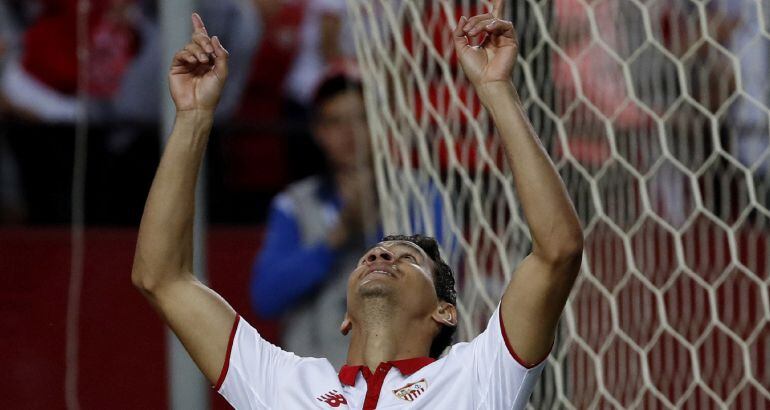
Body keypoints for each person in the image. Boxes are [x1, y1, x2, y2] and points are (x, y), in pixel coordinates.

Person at [132, 3, 583, 408]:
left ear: (445, 311)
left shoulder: (480, 375)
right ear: (347, 316)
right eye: (374, 254)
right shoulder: (282, 382)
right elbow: (162, 278)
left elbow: (557, 250)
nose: (380, 254)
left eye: (408, 259)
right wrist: (193, 118)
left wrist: (495, 89)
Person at [249, 72, 380, 368]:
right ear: (318, 132)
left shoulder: (418, 197)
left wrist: (376, 226)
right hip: (317, 383)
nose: (350, 132)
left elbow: (439, 283)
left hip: (398, 382)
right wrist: (338, 235)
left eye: (360, 118)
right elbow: (265, 297)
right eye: (336, 122)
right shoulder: (294, 204)